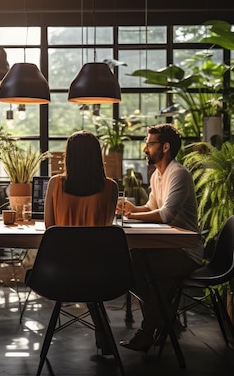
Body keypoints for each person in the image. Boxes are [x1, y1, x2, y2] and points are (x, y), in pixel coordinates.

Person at [117, 123, 203, 352]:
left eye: (150, 143)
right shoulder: (157, 175)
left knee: (149, 270)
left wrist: (134, 213)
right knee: (133, 262)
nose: (145, 148)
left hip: (187, 250)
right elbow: (152, 206)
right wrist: (132, 209)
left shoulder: (179, 174)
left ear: (165, 147)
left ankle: (148, 331)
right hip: (168, 248)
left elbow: (165, 215)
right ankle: (163, 319)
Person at [43, 130, 119, 355]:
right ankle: (103, 333)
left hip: (61, 271)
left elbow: (50, 228)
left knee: (80, 267)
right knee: (89, 271)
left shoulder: (56, 184)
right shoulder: (111, 187)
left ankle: (103, 334)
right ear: (98, 156)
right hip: (100, 271)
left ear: (69, 156)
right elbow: (105, 228)